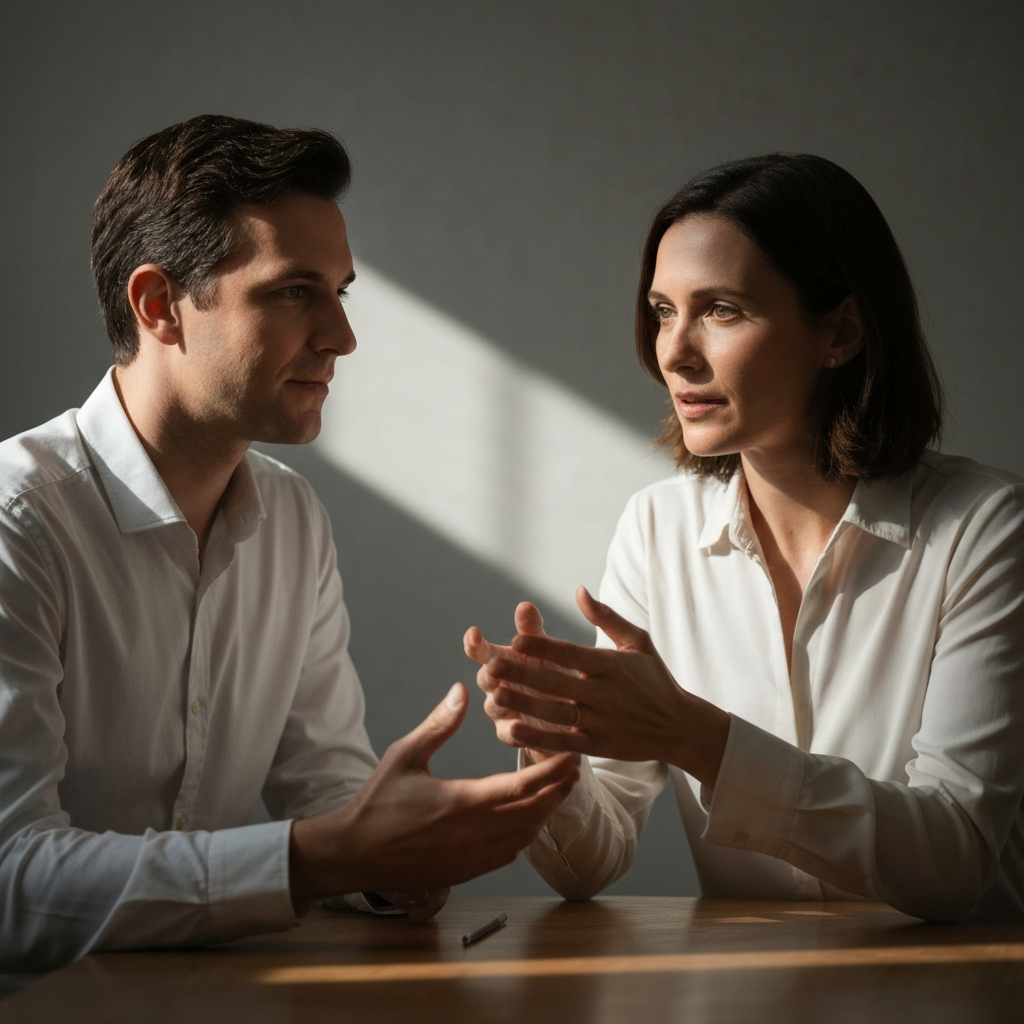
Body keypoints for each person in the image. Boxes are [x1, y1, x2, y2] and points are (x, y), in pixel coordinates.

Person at [0, 114, 578, 981]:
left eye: (340, 293)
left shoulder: (294, 517)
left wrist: (403, 858)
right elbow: (11, 881)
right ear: (159, 305)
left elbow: (325, 795)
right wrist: (322, 858)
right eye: (293, 291)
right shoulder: (19, 521)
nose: (342, 338)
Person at [466, 153, 1024, 922]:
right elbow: (586, 864)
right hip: (752, 989)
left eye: (721, 310)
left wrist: (703, 740)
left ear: (842, 330)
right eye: (663, 310)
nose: (674, 351)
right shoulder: (656, 527)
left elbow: (955, 857)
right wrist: (551, 748)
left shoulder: (987, 528)